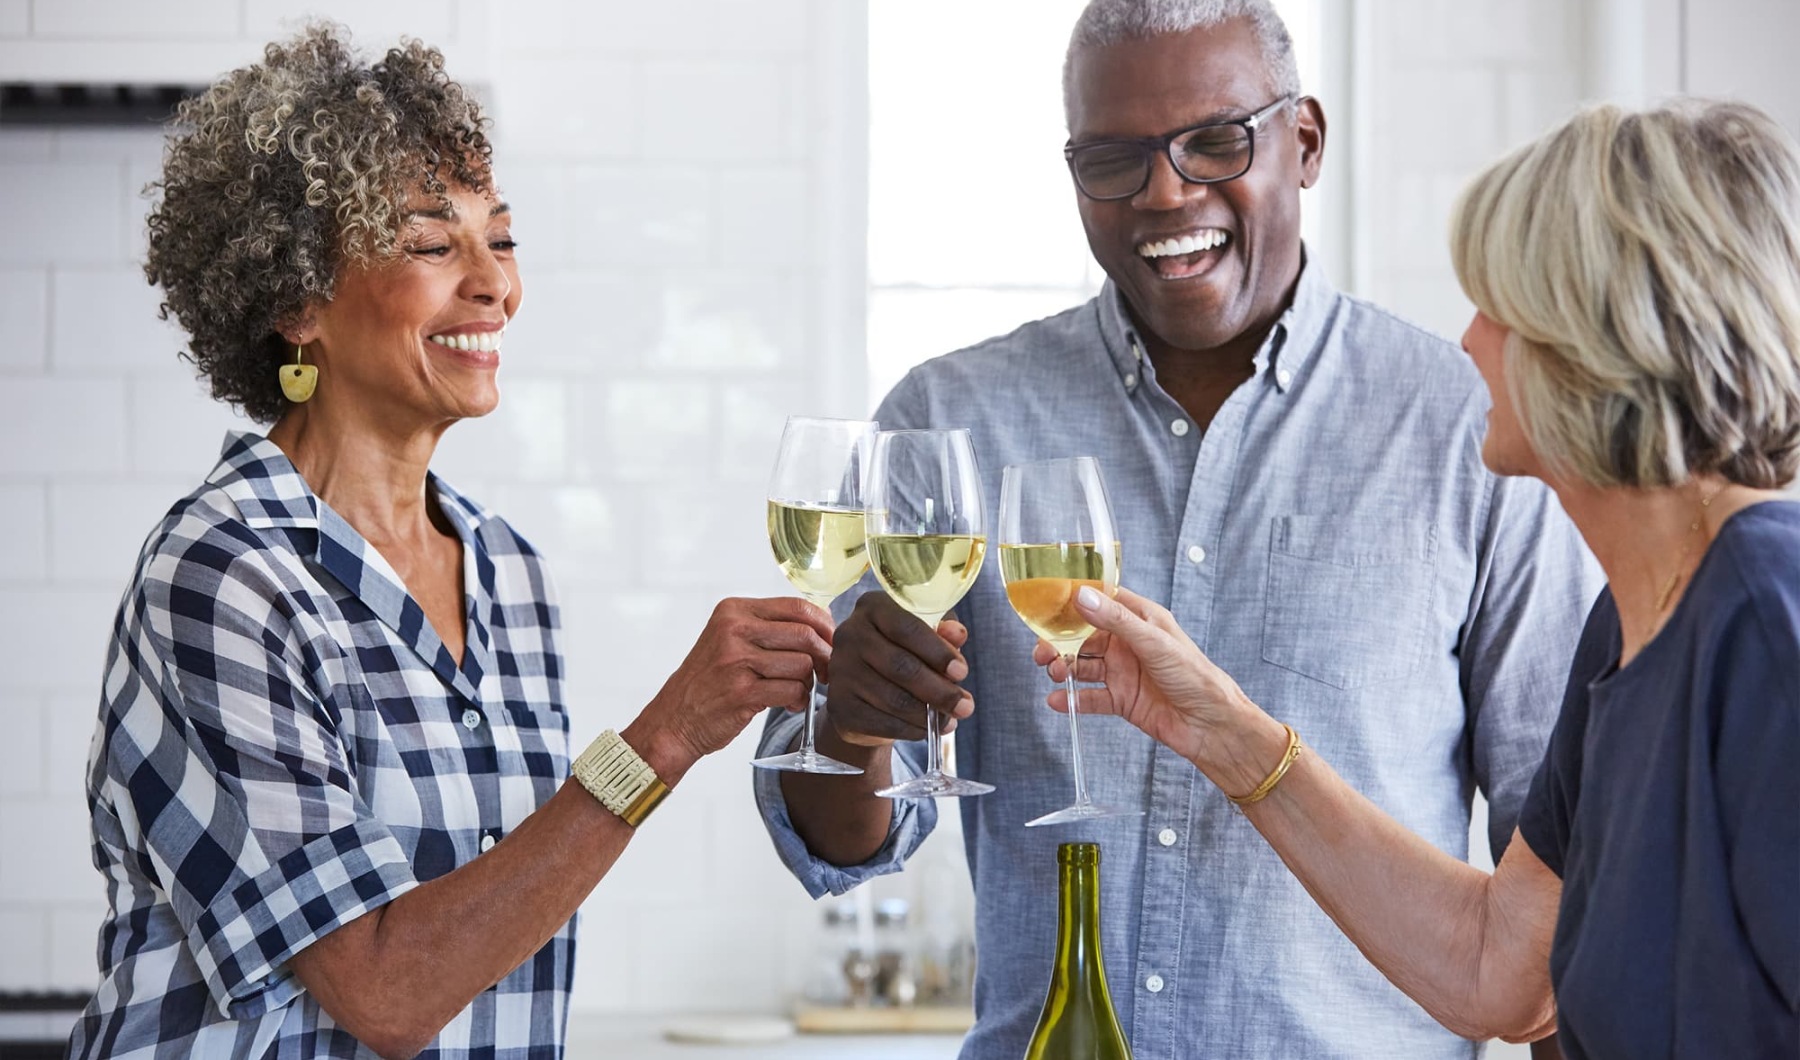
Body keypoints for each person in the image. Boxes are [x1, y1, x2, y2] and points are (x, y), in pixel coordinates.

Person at [755, 1, 1601, 1057]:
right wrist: (849, 722)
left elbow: (1563, 894)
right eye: (1114, 159)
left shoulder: (1469, 426)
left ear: (1305, 144)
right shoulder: (953, 418)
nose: (1166, 191)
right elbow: (838, 845)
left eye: (1215, 141)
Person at [69, 26, 833, 1059]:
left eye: (501, 238)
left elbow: (504, 927)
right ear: (297, 301)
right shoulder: (225, 574)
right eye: (433, 245)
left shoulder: (508, 573)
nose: (493, 285)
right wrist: (666, 737)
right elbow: (384, 991)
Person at [1049, 97, 1800, 1059]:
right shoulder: (1628, 625)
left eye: (1500, 308)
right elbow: (1500, 973)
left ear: (1598, 339)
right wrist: (1226, 735)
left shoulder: (1766, 618)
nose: (1471, 343)